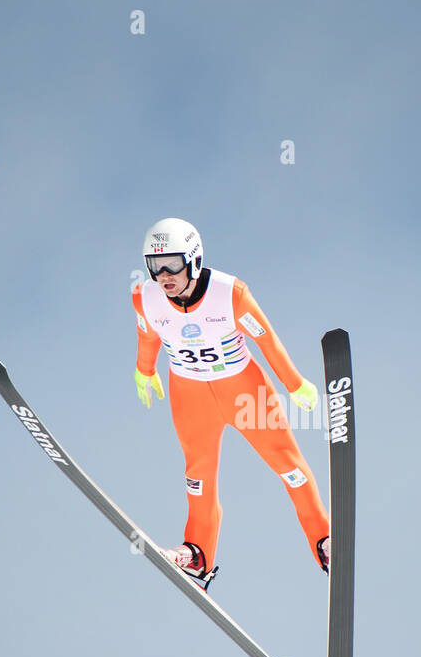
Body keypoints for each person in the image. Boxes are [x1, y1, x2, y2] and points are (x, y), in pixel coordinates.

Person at [131, 217, 330, 584]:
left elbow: (267, 340)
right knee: (197, 477)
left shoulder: (230, 293)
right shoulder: (145, 298)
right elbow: (149, 338)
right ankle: (197, 554)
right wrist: (144, 370)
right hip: (190, 396)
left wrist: (295, 383)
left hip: (243, 392)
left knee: (289, 466)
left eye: (172, 263)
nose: (164, 275)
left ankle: (323, 539)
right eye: (155, 266)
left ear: (193, 259)